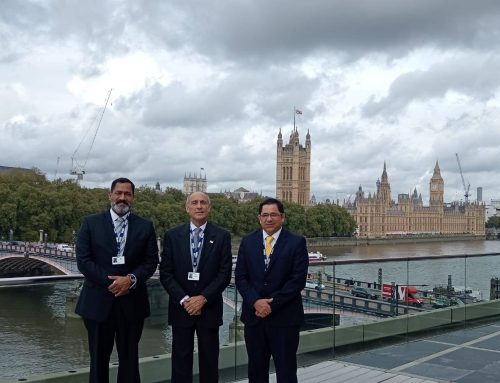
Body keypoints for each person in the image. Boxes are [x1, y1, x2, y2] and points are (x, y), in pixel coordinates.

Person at [75, 177, 159, 383]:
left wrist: (130, 280)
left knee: (130, 360)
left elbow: (150, 262)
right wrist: (113, 282)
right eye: (118, 193)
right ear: (110, 195)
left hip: (132, 304)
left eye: (127, 194)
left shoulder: (145, 226)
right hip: (97, 302)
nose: (122, 198)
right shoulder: (90, 223)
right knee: (98, 360)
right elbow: (84, 262)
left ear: (133, 198)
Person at [159, 191, 232, 383]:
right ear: (187, 208)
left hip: (209, 308)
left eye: (203, 203)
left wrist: (203, 298)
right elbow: (166, 274)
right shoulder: (172, 236)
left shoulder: (222, 236)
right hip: (181, 308)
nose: (199, 206)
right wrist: (185, 300)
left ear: (209, 207)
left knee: (209, 362)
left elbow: (224, 274)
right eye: (194, 203)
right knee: (180, 362)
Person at [235, 197, 309, 383]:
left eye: (273, 215)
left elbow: (297, 281)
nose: (269, 219)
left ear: (282, 217)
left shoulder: (297, 242)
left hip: (284, 318)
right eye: (265, 215)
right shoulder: (248, 241)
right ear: (259, 218)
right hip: (254, 319)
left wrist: (271, 304)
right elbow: (241, 277)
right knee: (256, 370)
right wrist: (256, 302)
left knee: (286, 371)